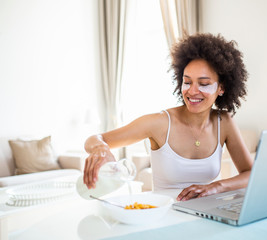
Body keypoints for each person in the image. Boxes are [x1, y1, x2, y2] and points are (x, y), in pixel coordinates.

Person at [83, 33, 253, 201]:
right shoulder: (160, 123)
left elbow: (250, 173)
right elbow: (95, 139)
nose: (192, 91)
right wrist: (100, 149)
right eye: (187, 82)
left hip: (208, 215)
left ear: (221, 88)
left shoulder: (224, 122)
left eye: (204, 84)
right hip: (165, 215)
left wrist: (217, 186)